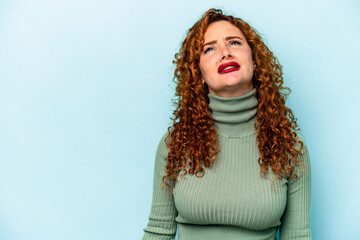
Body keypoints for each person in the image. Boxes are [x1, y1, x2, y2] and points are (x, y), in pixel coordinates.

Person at [142, 8, 311, 240]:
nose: (225, 53)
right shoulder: (176, 143)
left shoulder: (290, 147)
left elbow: (297, 237)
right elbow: (158, 231)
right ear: (198, 72)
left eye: (234, 43)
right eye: (209, 48)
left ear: (254, 60)